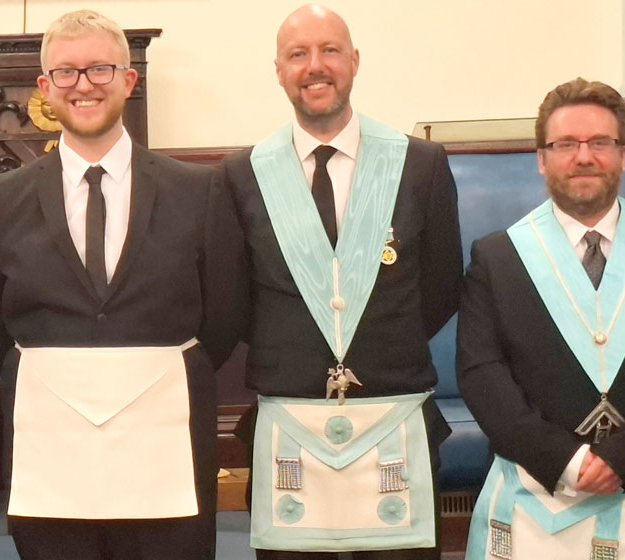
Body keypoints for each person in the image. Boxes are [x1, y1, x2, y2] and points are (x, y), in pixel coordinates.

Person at [0, 9, 247, 560]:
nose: (83, 85)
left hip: (165, 444)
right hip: (52, 444)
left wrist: (144, 378)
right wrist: (63, 379)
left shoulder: (198, 192)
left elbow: (225, 314)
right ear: (45, 89)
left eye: (100, 70)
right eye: (66, 72)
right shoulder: (1, 200)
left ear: (128, 80)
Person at [221, 4, 462, 558]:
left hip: (394, 416)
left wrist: (371, 341)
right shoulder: (242, 175)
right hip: (290, 422)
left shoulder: (419, 164)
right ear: (279, 70)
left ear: (354, 61)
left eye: (329, 50)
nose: (315, 66)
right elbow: (236, 301)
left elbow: (443, 287)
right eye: (298, 54)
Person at [457, 77, 625, 560]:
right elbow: (481, 373)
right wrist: (567, 461)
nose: (583, 156)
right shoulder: (497, 256)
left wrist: (623, 458)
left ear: (624, 154)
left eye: (600, 142)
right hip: (531, 495)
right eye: (565, 144)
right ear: (541, 159)